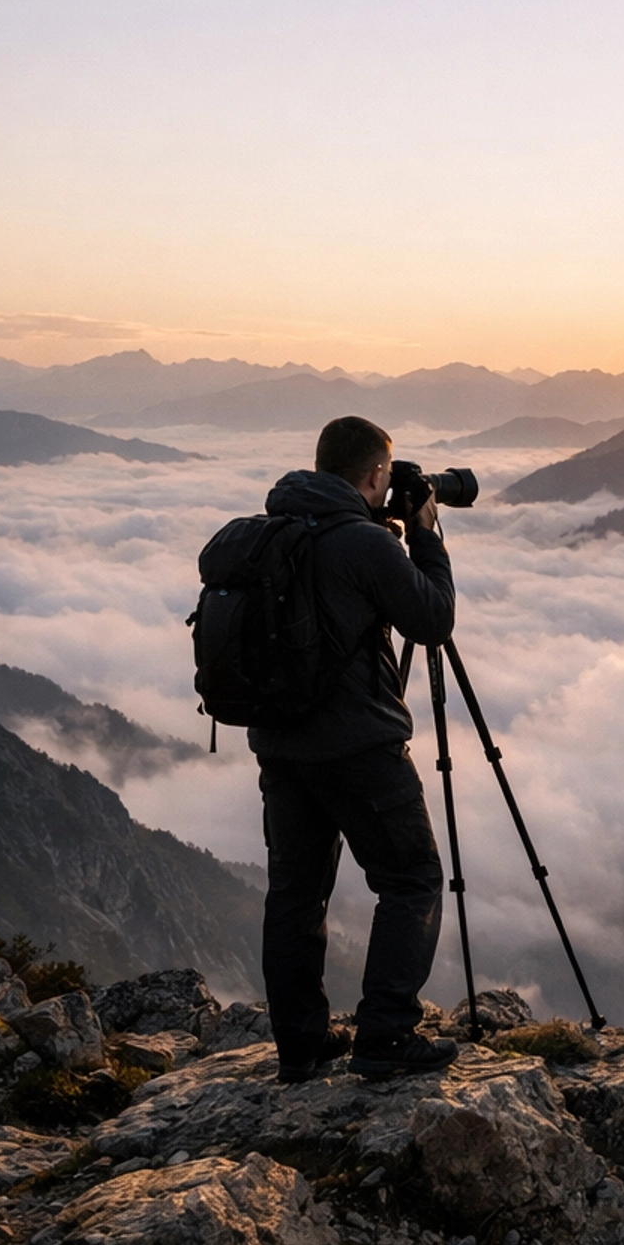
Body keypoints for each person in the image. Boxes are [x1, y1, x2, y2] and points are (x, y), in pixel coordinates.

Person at [250, 415, 458, 1084]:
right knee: (413, 879)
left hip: (281, 749)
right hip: (360, 750)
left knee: (295, 895)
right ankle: (387, 1035)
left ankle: (301, 1045)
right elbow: (432, 620)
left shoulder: (274, 532)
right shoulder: (364, 546)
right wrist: (424, 537)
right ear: (375, 475)